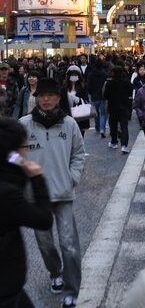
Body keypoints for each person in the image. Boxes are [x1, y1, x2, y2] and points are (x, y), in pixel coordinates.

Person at [19, 78, 86, 308]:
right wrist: (21, 168)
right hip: (37, 198)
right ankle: (55, 272)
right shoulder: (24, 125)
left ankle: (71, 289)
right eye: (42, 95)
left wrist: (73, 177)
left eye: (50, 95)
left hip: (63, 193)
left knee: (69, 244)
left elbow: (78, 154)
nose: (46, 99)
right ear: (36, 98)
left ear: (58, 97)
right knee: (45, 243)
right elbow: (9, 153)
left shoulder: (69, 125)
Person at [0, 118, 53, 308]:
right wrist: (37, 179)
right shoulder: (7, 193)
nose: (26, 151)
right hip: (6, 290)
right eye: (24, 146)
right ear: (13, 152)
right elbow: (44, 220)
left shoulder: (7, 172)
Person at [103, 66, 133, 154]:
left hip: (112, 108)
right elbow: (131, 92)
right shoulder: (126, 82)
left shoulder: (109, 83)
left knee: (113, 126)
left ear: (113, 73)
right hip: (124, 107)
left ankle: (114, 142)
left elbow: (105, 96)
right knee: (124, 127)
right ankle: (124, 145)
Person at [60, 65, 90, 138]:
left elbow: (86, 101)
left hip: (80, 116)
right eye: (72, 75)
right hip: (67, 116)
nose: (74, 77)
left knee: (79, 137)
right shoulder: (64, 88)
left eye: (76, 75)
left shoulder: (83, 87)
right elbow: (61, 102)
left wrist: (78, 100)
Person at [86, 58, 108, 138]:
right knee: (103, 113)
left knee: (96, 114)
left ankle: (97, 127)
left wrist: (90, 93)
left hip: (94, 96)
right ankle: (102, 129)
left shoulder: (91, 74)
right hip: (102, 96)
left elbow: (88, 86)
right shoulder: (104, 74)